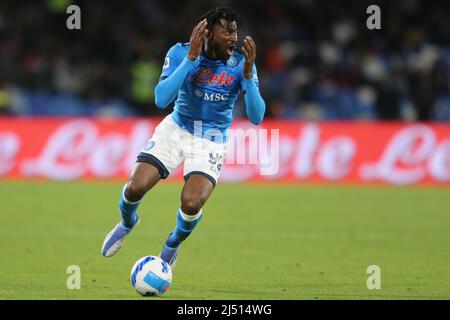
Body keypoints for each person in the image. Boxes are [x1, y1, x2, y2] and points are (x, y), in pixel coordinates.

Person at [101, 7, 266, 269]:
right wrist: (190, 59)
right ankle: (127, 222)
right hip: (176, 129)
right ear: (209, 32)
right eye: (227, 31)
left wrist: (247, 76)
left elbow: (257, 117)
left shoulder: (241, 64)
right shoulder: (180, 52)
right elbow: (161, 99)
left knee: (191, 203)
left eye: (236, 31)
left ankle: (172, 244)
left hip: (211, 138)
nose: (234, 37)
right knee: (136, 187)